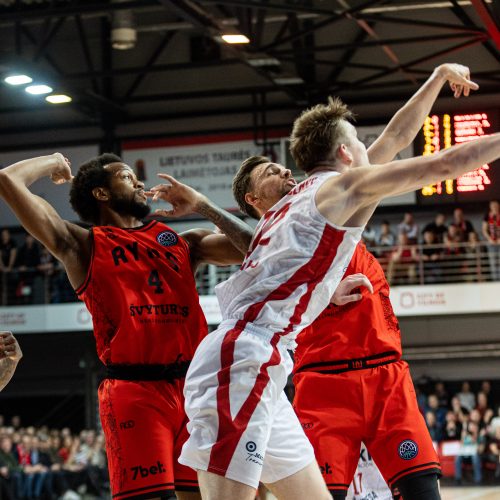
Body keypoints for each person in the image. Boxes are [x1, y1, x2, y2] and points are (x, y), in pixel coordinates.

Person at [164, 65, 493, 499]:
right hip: (244, 357)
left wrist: (436, 79)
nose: (366, 147)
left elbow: (394, 139)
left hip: (268, 360)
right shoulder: (336, 192)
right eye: (358, 141)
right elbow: (447, 161)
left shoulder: (302, 199)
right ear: (344, 152)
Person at [0, 153, 254, 500]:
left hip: (194, 388)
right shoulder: (83, 244)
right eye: (125, 176)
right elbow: (8, 180)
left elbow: (258, 247)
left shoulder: (182, 242)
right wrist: (55, 162)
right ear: (101, 194)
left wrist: (202, 204)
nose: (137, 181)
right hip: (135, 391)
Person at [482, 200, 500, 280]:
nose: (494, 207)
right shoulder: (487, 216)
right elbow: (484, 230)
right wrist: (490, 239)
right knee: (493, 262)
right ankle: (495, 280)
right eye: (493, 205)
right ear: (490, 207)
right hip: (491, 242)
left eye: (496, 205)